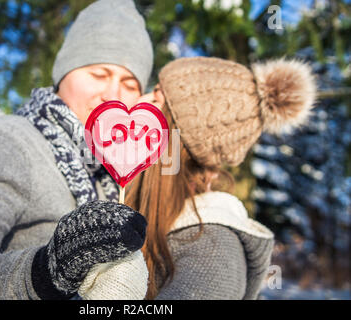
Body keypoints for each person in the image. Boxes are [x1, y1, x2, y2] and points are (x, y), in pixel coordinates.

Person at [0, 0, 153, 300]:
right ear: (64, 73)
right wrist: (46, 271)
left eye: (130, 84)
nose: (112, 95)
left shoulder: (109, 172)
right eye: (98, 74)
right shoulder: (9, 143)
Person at [126, 56, 317, 299]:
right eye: (152, 89)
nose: (140, 101)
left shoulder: (210, 252)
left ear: (177, 139)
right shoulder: (133, 206)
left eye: (157, 98)